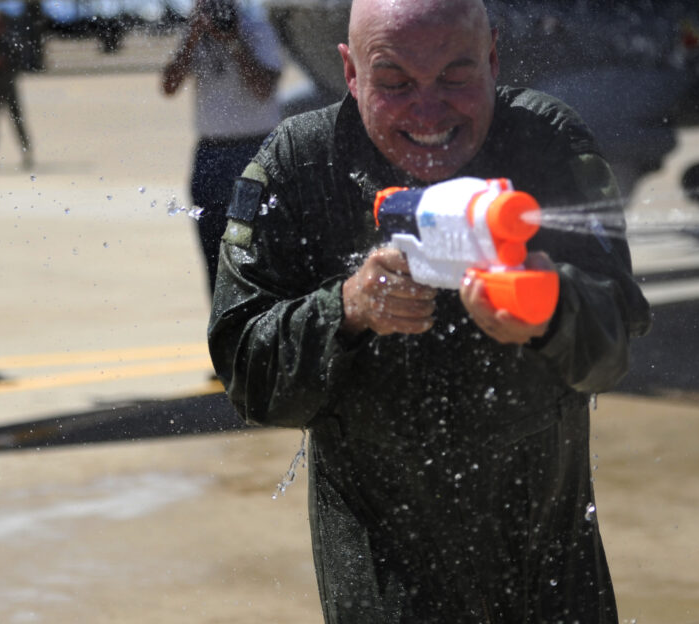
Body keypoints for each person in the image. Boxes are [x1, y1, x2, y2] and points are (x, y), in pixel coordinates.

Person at [206, 0, 652, 621]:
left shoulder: (545, 143)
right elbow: (247, 376)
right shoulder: (302, 165)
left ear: (493, 58)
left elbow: (614, 345)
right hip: (386, 597)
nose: (428, 111)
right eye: (393, 83)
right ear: (351, 72)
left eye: (456, 76)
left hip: (550, 590)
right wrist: (345, 310)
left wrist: (550, 306)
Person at [161, 0, 282, 295]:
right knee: (214, 256)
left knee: (258, 254)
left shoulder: (257, 28)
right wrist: (191, 39)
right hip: (211, 154)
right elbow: (168, 86)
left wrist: (235, 42)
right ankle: (224, 328)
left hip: (254, 152)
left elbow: (264, 89)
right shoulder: (194, 34)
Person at [0, 11, 33, 171]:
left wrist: (6, 63)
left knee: (18, 123)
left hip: (9, 88)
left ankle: (27, 154)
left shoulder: (12, 41)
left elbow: (21, 63)